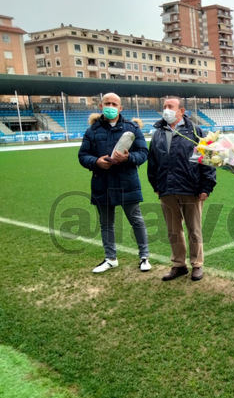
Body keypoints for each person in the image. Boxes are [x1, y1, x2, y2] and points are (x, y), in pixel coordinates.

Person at [78, 92, 151, 273]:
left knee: (136, 220)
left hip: (127, 182)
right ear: (101, 106)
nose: (110, 106)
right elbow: (82, 155)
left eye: (114, 104)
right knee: (106, 223)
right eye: (107, 103)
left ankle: (144, 257)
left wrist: (127, 158)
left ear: (120, 108)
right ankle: (110, 258)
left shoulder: (132, 128)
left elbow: (143, 153)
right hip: (102, 182)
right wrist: (96, 162)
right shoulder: (92, 130)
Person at [147, 96, 216, 282]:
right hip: (166, 189)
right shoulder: (158, 133)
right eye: (164, 106)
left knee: (194, 229)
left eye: (170, 106)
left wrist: (206, 186)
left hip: (191, 188)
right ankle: (179, 265)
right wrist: (156, 185)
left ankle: (197, 265)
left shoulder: (196, 131)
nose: (166, 109)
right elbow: (152, 162)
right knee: (173, 230)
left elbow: (207, 161)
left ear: (182, 111)